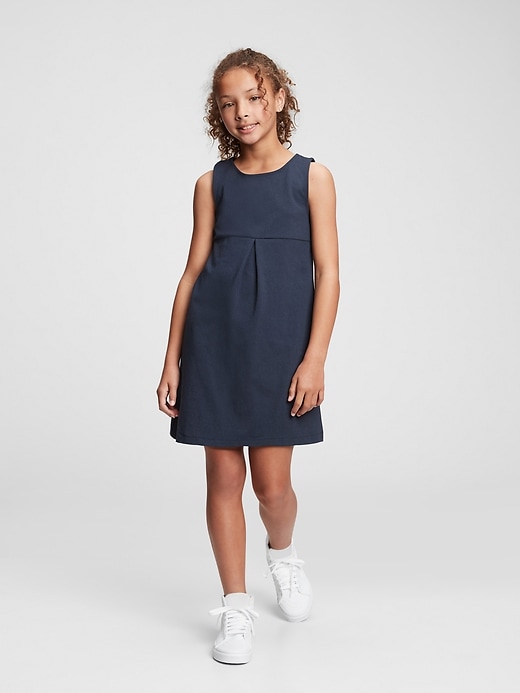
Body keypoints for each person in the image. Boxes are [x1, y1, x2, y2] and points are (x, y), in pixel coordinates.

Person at [156, 47, 339, 665]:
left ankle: (282, 555)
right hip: (214, 346)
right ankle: (235, 606)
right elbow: (191, 275)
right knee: (223, 478)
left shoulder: (312, 178)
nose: (243, 112)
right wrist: (172, 359)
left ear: (279, 98)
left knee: (272, 485)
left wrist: (314, 358)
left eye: (255, 98)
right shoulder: (211, 184)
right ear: (219, 113)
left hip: (280, 348)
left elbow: (329, 274)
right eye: (229, 103)